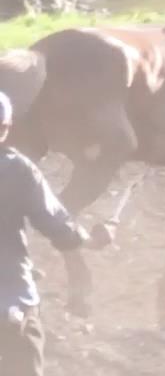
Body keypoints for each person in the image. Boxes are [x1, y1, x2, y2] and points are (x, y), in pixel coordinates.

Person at [0, 85, 105, 376]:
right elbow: (56, 226)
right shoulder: (18, 170)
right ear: (5, 127)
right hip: (9, 301)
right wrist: (88, 239)